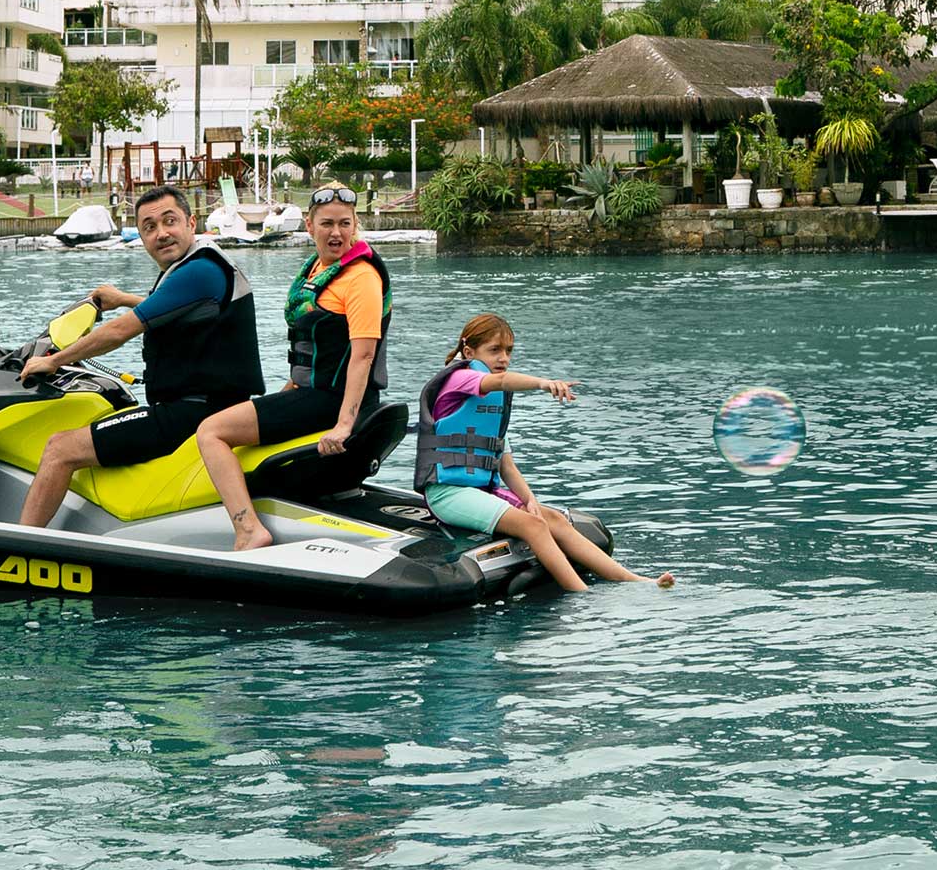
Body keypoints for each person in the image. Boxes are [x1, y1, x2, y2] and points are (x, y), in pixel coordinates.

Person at [15, 182, 263, 529]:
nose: (161, 233)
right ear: (141, 238)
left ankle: (23, 543)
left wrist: (54, 361)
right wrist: (122, 298)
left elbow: (120, 331)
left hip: (193, 413)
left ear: (191, 223)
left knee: (60, 448)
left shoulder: (199, 271)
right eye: (149, 227)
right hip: (211, 406)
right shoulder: (202, 265)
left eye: (169, 221)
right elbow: (172, 305)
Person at [191, 183, 392, 550]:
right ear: (309, 227)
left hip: (332, 400)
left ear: (355, 224)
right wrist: (288, 390)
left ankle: (248, 529)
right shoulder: (317, 269)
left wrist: (344, 424)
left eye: (345, 224)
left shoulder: (361, 277)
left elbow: (363, 355)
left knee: (211, 431)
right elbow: (315, 350)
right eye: (327, 224)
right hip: (310, 392)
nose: (336, 233)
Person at [411, 311, 669, 594]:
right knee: (532, 526)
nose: (504, 359)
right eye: (494, 350)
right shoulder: (461, 379)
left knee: (552, 518)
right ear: (469, 351)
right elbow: (500, 381)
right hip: (447, 493)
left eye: (508, 351)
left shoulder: (494, 406)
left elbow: (505, 465)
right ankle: (580, 593)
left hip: (482, 492)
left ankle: (633, 579)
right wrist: (543, 383)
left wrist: (529, 499)